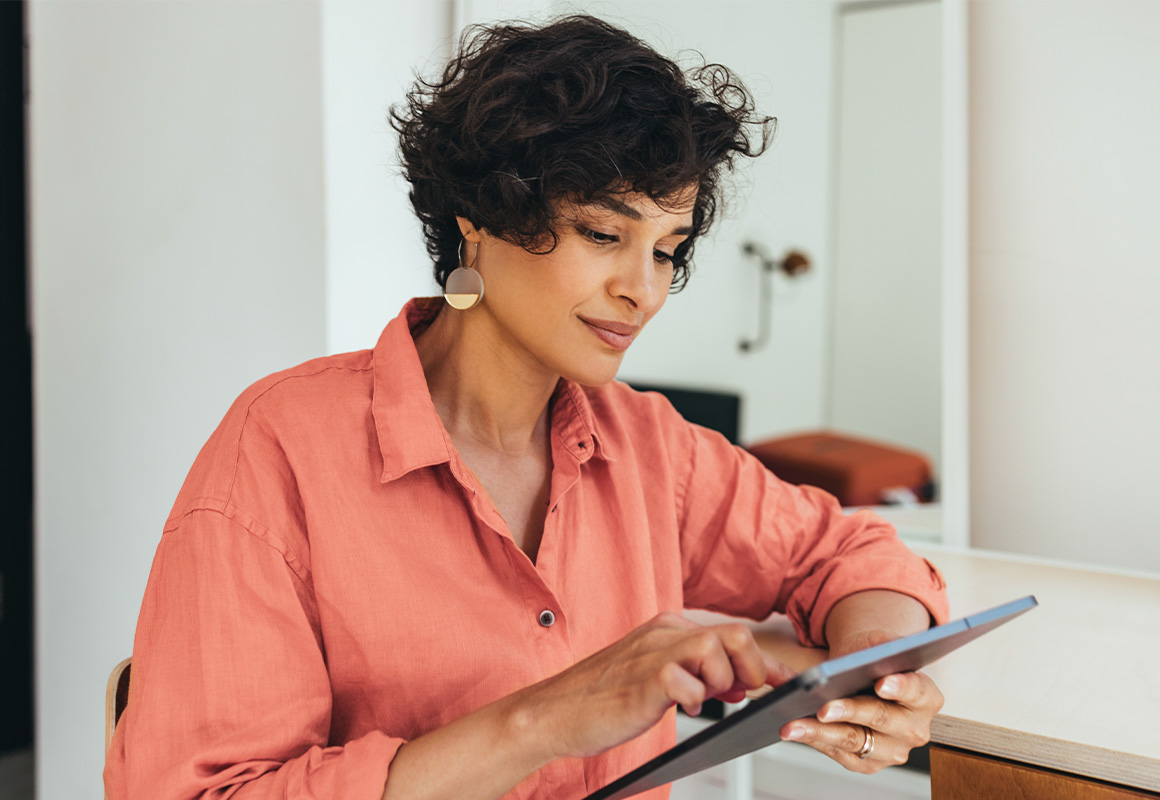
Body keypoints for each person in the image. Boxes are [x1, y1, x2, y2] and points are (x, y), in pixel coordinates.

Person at [104, 14, 948, 800]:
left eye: (668, 249)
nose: (642, 290)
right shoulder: (282, 448)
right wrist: (550, 716)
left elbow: (852, 553)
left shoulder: (650, 448)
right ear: (478, 222)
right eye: (603, 236)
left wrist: (877, 668)